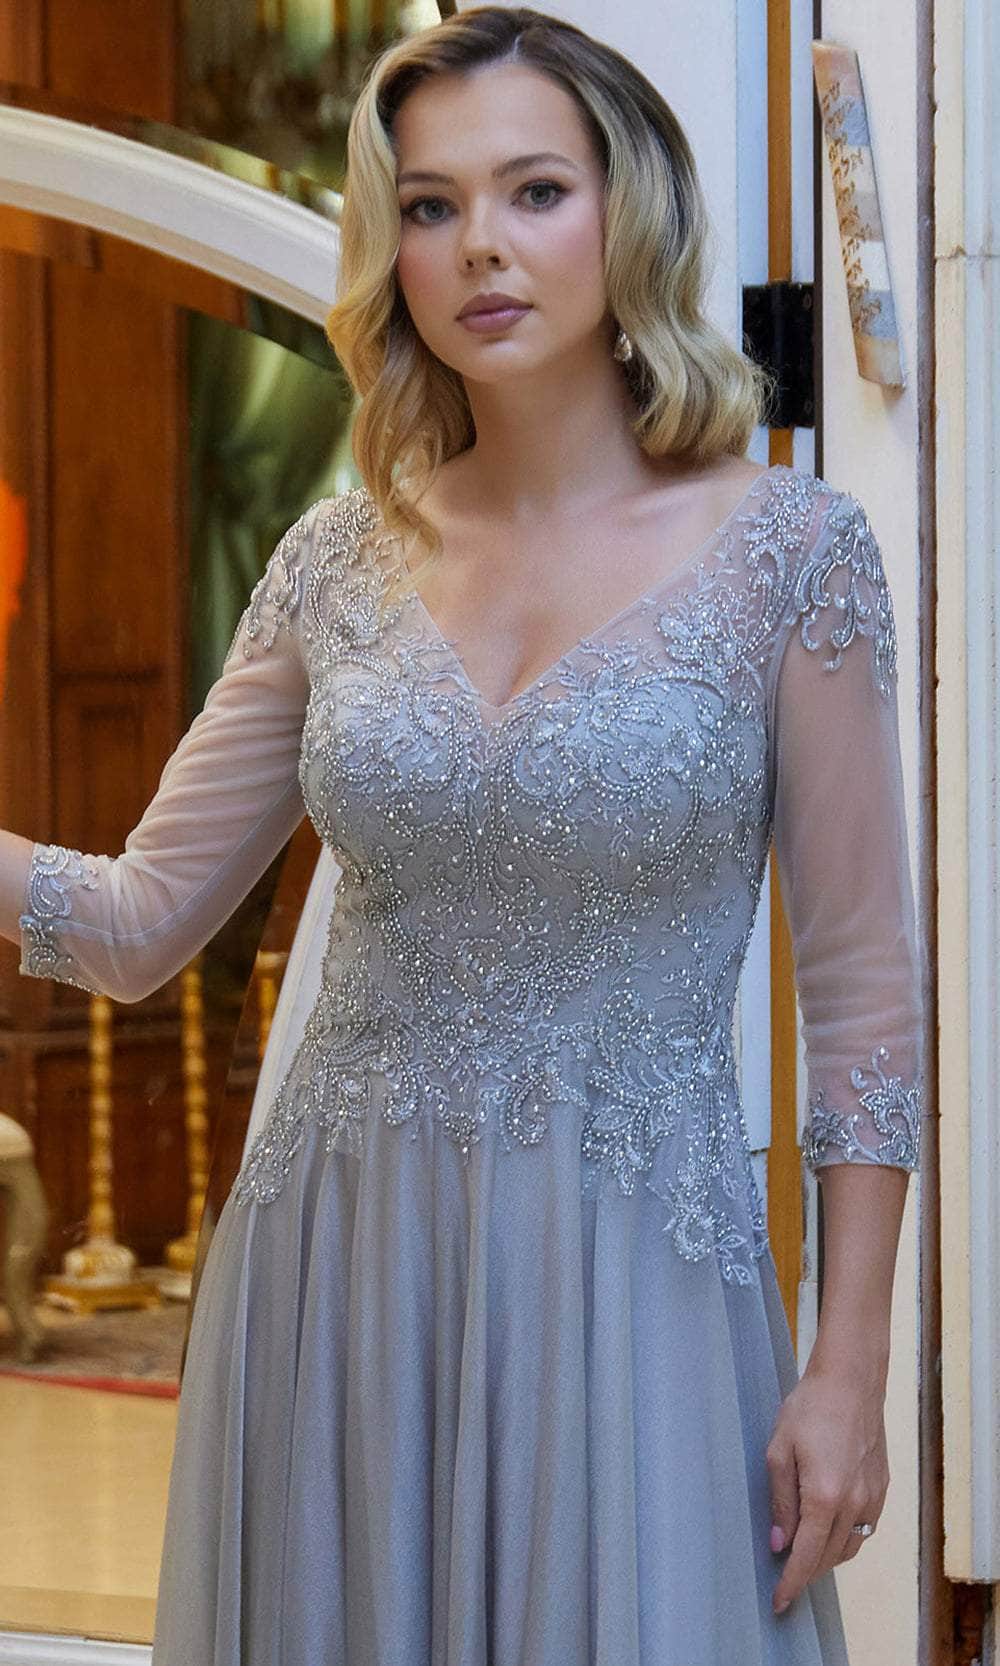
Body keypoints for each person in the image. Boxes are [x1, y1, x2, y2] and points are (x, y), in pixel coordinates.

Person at [0, 6, 923, 1661]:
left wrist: (848, 1367)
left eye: (534, 191)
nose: (480, 244)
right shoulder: (333, 562)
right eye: (430, 206)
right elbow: (138, 922)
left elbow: (862, 1006)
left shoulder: (794, 555)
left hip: (635, 1286)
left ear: (630, 214)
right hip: (342, 1277)